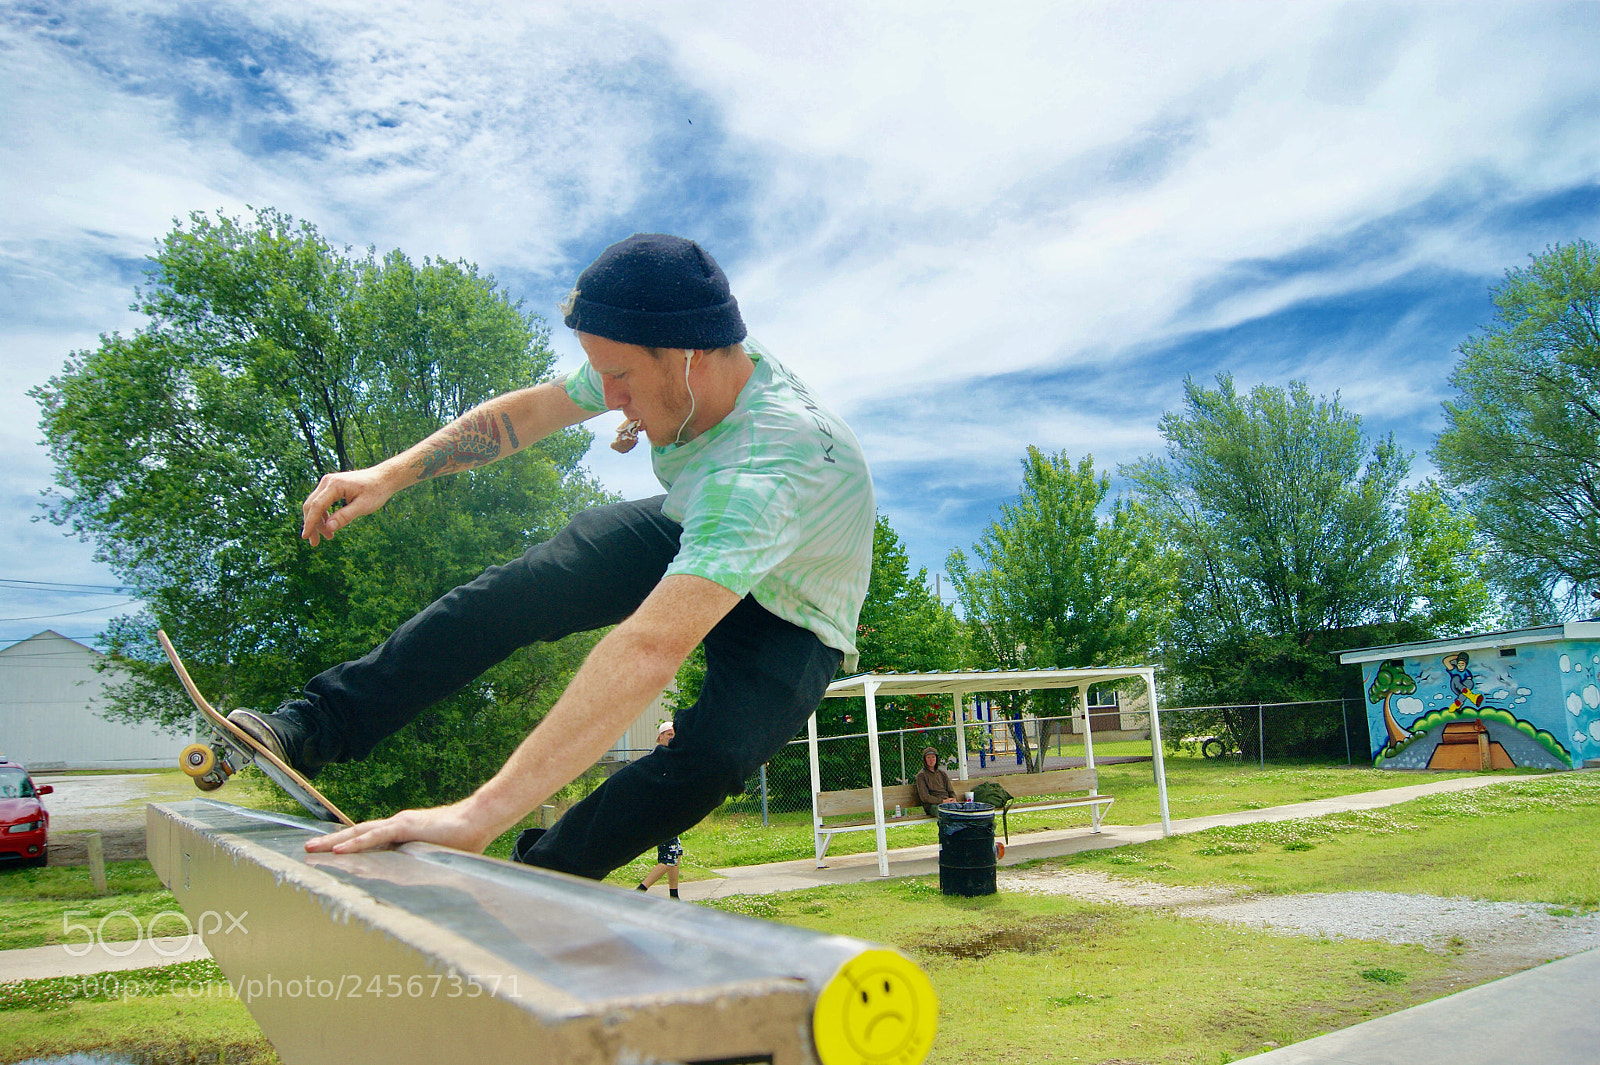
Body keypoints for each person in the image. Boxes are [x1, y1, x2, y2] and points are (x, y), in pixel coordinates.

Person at [231, 233, 875, 880]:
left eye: (620, 379)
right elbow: (528, 414)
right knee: (538, 581)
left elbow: (648, 648)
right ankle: (310, 726)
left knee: (707, 762)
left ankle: (536, 874)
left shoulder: (762, 472)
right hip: (703, 529)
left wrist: (475, 816)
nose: (610, 398)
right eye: (603, 376)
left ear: (689, 359)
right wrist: (390, 474)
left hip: (798, 614)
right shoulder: (682, 338)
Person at [637, 722, 684, 898]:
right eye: (669, 735)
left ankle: (674, 895)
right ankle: (640, 891)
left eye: (674, 735)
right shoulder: (657, 758)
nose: (672, 738)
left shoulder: (672, 756)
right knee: (669, 857)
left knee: (676, 852)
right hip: (660, 813)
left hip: (670, 811)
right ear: (660, 737)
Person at [914, 746, 955, 819]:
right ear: (925, 760)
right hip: (932, 805)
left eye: (933, 757)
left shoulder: (942, 774)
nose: (931, 760)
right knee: (945, 815)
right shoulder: (921, 775)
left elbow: (950, 790)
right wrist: (942, 801)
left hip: (947, 802)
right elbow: (925, 797)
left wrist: (953, 799)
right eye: (928, 757)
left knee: (961, 812)